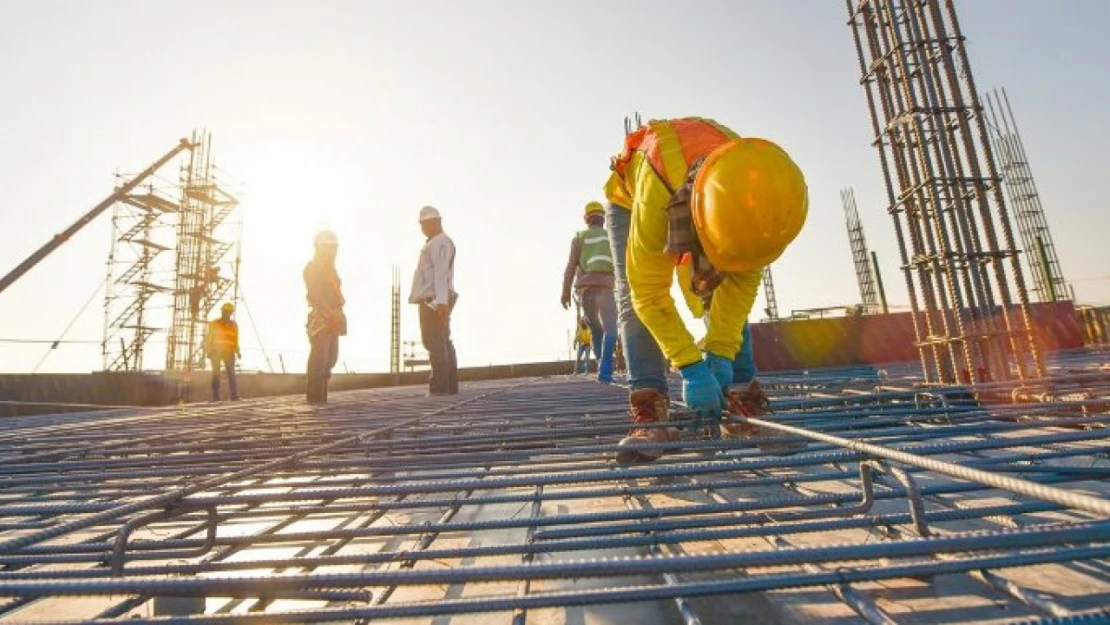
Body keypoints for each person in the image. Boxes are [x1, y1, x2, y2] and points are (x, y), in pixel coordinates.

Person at [603, 117, 808, 463]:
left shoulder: (758, 191)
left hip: (706, 188)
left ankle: (742, 399)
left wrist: (721, 354)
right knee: (630, 297)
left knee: (724, 278)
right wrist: (692, 368)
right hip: (636, 195)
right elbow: (648, 294)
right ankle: (651, 412)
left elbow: (741, 283)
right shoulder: (658, 194)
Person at [561, 201, 619, 383]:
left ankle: (601, 362)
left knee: (595, 328)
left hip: (586, 290)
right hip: (607, 288)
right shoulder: (611, 236)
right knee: (611, 330)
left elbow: (571, 267)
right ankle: (606, 370)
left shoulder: (579, 237)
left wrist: (565, 291)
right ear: (604, 218)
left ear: (586, 219)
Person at [409, 206, 459, 396]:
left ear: (436, 222)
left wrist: (441, 302)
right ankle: (449, 388)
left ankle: (440, 389)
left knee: (435, 344)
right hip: (436, 299)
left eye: (426, 224)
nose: (424, 228)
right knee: (443, 341)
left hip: (433, 301)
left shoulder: (440, 243)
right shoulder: (437, 243)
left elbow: (440, 274)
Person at [304, 230, 346, 404]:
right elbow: (315, 294)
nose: (332, 251)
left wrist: (337, 315)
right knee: (319, 356)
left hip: (334, 315)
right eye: (328, 248)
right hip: (321, 316)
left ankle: (320, 394)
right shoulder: (312, 268)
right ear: (320, 248)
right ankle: (315, 398)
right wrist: (327, 313)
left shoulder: (331, 270)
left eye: (334, 248)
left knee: (331, 357)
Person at [204, 302, 240, 401]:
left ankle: (234, 395)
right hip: (216, 352)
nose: (227, 314)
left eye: (229, 312)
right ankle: (216, 397)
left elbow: (235, 340)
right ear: (222, 312)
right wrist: (208, 351)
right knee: (216, 374)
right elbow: (209, 338)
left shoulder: (234, 325)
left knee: (231, 373)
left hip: (229, 352)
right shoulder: (214, 324)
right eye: (226, 312)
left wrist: (237, 351)